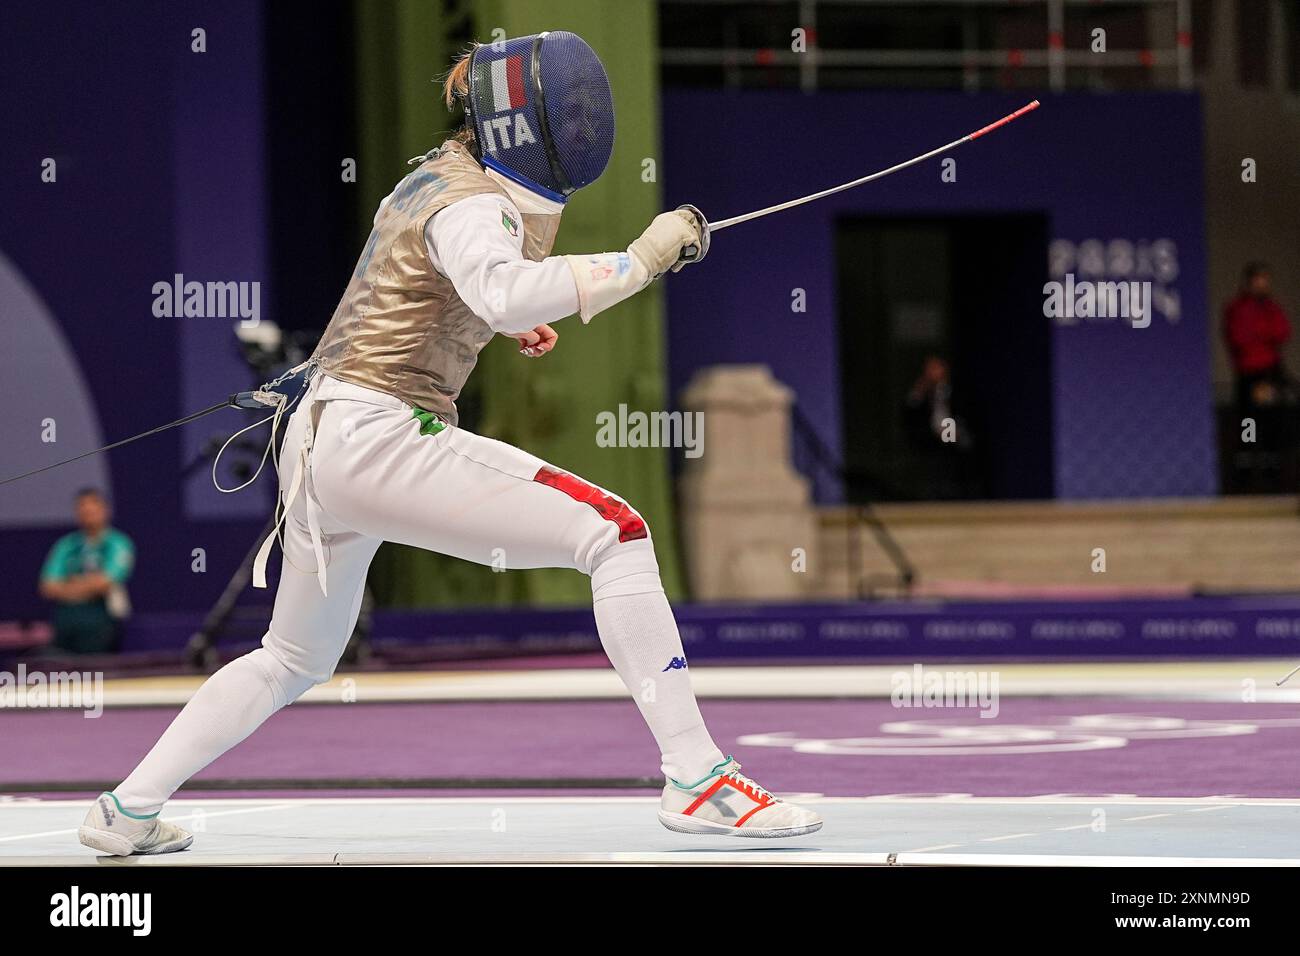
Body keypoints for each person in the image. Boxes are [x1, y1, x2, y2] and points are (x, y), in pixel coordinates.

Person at [78, 31, 820, 856]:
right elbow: (498, 289)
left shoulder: (435, 178)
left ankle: (126, 809)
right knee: (616, 533)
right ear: (523, 122)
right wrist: (639, 260)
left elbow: (453, 292)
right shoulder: (472, 200)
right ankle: (697, 777)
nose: (578, 125)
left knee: (291, 658)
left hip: (325, 439)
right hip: (377, 435)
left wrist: (496, 318)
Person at [38, 488, 134, 655]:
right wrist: (87, 585)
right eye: (83, 510)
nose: (88, 514)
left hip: (100, 620)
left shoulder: (118, 543)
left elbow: (105, 582)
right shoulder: (66, 545)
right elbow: (48, 586)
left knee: (96, 672)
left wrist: (70, 584)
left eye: (93, 510)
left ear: (105, 511)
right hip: (66, 620)